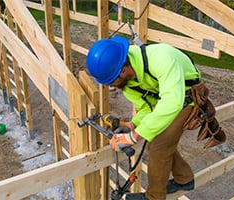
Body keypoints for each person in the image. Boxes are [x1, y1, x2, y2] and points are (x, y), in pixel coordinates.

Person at [86, 36, 225, 200]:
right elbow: (147, 107)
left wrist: (134, 137)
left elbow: (173, 101)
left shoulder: (162, 57)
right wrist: (133, 125)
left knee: (159, 145)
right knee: (153, 138)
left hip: (187, 97)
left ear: (122, 70)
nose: (113, 86)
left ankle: (154, 197)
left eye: (112, 81)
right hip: (168, 100)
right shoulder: (127, 82)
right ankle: (184, 179)